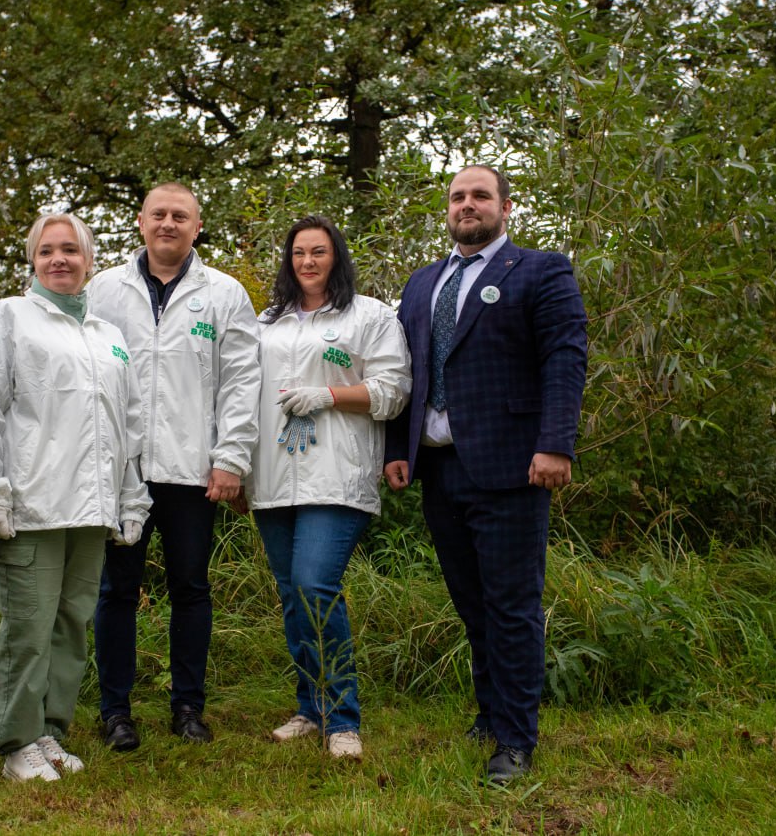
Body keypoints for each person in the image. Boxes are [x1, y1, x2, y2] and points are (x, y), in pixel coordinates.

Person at [383, 165, 587, 784]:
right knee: (472, 605)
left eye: (479, 196)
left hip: (512, 466)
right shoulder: (422, 284)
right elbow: (404, 370)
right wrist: (399, 445)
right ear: (447, 209)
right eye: (457, 197)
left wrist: (556, 444)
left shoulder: (540, 270)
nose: (467, 205)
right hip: (441, 468)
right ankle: (491, 713)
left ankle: (517, 740)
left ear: (504, 206)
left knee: (512, 606)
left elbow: (565, 356)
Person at [0, 212, 152, 782]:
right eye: (47, 250)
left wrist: (130, 500)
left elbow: (126, 426)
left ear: (89, 260)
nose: (59, 259)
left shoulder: (108, 336)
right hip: (31, 504)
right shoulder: (7, 319)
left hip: (92, 507)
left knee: (72, 622)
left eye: (70, 250)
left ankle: (50, 732)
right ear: (32, 259)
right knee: (28, 627)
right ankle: (16, 743)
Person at [87, 182, 260, 749]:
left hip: (193, 470)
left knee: (190, 588)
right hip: (122, 468)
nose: (168, 223)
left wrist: (230, 458)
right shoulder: (103, 290)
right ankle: (115, 711)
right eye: (158, 214)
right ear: (140, 222)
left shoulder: (226, 294)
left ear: (196, 226)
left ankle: (188, 708)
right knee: (116, 590)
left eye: (179, 216)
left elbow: (241, 383)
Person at [246, 216, 410, 759]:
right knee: (294, 596)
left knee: (316, 587)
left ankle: (342, 718)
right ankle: (309, 708)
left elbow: (394, 389)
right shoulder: (267, 321)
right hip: (271, 476)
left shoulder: (370, 316)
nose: (308, 262)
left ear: (337, 256)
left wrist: (330, 395)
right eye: (298, 253)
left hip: (337, 474)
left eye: (319, 252)